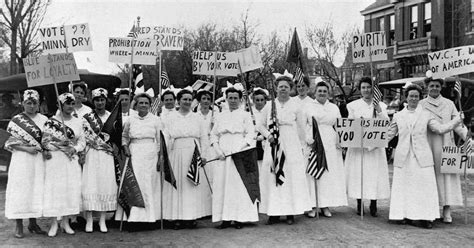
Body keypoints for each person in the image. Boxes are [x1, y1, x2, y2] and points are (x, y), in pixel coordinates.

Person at [388, 84, 463, 228]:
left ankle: (424, 217)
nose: (414, 99)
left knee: (422, 187)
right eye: (411, 96)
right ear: (406, 97)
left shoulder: (426, 114)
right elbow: (389, 134)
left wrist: (456, 121)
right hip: (404, 157)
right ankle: (404, 215)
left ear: (420, 97)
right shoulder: (398, 116)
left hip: (422, 157)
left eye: (416, 96)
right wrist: (369, 141)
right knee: (405, 186)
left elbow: (440, 129)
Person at [259, 75, 313, 225]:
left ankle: (290, 212)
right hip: (274, 142)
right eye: (281, 86)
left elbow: (302, 128)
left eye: (286, 87)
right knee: (273, 175)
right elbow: (260, 124)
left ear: (291, 89)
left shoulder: (296, 106)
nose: (283, 89)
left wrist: (302, 146)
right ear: (276, 88)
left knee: (290, 177)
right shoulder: (269, 105)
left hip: (291, 143)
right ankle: (274, 213)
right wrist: (267, 135)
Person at [419, 78, 469, 223]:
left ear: (441, 87)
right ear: (426, 87)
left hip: (447, 145)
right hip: (428, 144)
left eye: (437, 86)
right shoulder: (421, 104)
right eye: (431, 86)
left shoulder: (449, 103)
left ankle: (447, 210)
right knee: (431, 178)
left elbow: (458, 125)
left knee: (447, 177)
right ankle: (432, 210)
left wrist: (468, 139)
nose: (434, 88)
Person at [210, 85, 259, 229]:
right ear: (226, 99)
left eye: (235, 98)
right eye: (230, 98)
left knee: (239, 185)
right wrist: (218, 150)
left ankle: (239, 218)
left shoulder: (245, 115)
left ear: (240, 99)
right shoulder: (220, 116)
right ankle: (225, 219)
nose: (232, 101)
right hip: (224, 153)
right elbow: (213, 134)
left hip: (240, 152)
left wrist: (241, 148)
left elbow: (251, 134)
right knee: (223, 185)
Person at [161, 88, 209, 229]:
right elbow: (166, 137)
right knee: (178, 185)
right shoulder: (170, 118)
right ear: (179, 101)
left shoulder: (197, 118)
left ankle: (191, 217)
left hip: (193, 152)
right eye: (184, 99)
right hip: (176, 153)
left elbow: (204, 137)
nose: (187, 102)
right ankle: (177, 217)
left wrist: (204, 154)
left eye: (189, 99)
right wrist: (164, 155)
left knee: (191, 184)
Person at [4, 90, 48, 238]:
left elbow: (47, 140)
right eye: (28, 102)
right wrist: (26, 148)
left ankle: (33, 222)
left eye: (34, 102)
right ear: (23, 104)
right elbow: (9, 143)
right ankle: (18, 224)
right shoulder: (16, 120)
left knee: (35, 189)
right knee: (21, 190)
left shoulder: (44, 120)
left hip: (37, 160)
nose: (31, 105)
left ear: (38, 104)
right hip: (21, 159)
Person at [42, 93, 86, 237]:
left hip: (71, 159)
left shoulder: (78, 122)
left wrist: (74, 148)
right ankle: (54, 222)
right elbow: (45, 143)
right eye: (67, 103)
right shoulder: (51, 122)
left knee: (70, 189)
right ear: (60, 105)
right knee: (55, 190)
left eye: (72, 104)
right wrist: (60, 144)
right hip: (55, 160)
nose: (70, 107)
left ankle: (66, 222)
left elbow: (82, 142)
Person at [345, 76, 390, 217]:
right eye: (363, 87)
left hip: (375, 146)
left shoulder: (381, 105)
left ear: (373, 89)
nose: (366, 90)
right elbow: (350, 124)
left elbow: (386, 123)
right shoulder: (353, 105)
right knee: (360, 174)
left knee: (374, 175)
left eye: (368, 87)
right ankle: (359, 202)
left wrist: (379, 111)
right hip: (359, 146)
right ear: (360, 89)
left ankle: (373, 202)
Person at [304, 81, 348, 217]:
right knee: (314, 172)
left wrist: (341, 140)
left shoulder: (334, 107)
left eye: (324, 91)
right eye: (319, 91)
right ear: (315, 92)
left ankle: (325, 205)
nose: (322, 93)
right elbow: (303, 124)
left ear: (328, 93)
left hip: (330, 141)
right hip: (314, 141)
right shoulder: (308, 106)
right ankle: (312, 205)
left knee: (328, 174)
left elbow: (340, 125)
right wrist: (308, 138)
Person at [118, 93, 162, 224]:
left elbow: (160, 140)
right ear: (136, 105)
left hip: (150, 153)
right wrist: (125, 147)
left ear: (149, 105)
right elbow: (124, 136)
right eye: (140, 103)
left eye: (146, 103)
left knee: (148, 183)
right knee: (134, 183)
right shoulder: (130, 119)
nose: (143, 105)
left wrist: (160, 157)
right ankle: (134, 218)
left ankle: (149, 217)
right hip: (134, 152)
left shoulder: (155, 120)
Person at [82, 88, 117, 233]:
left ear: (106, 100)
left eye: (102, 99)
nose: (100, 102)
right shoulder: (86, 117)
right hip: (92, 153)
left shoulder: (112, 116)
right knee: (91, 184)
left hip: (106, 155)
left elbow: (116, 135)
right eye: (97, 100)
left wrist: (113, 146)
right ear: (93, 101)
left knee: (105, 184)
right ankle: (89, 220)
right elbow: (84, 136)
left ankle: (103, 220)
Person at [195, 89, 215, 217]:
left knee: (212, 175)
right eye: (203, 99)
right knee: (201, 176)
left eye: (208, 99)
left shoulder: (215, 115)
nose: (206, 101)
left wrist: (213, 128)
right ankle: (201, 209)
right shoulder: (195, 115)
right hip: (200, 145)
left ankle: (213, 208)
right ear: (199, 100)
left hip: (212, 146)